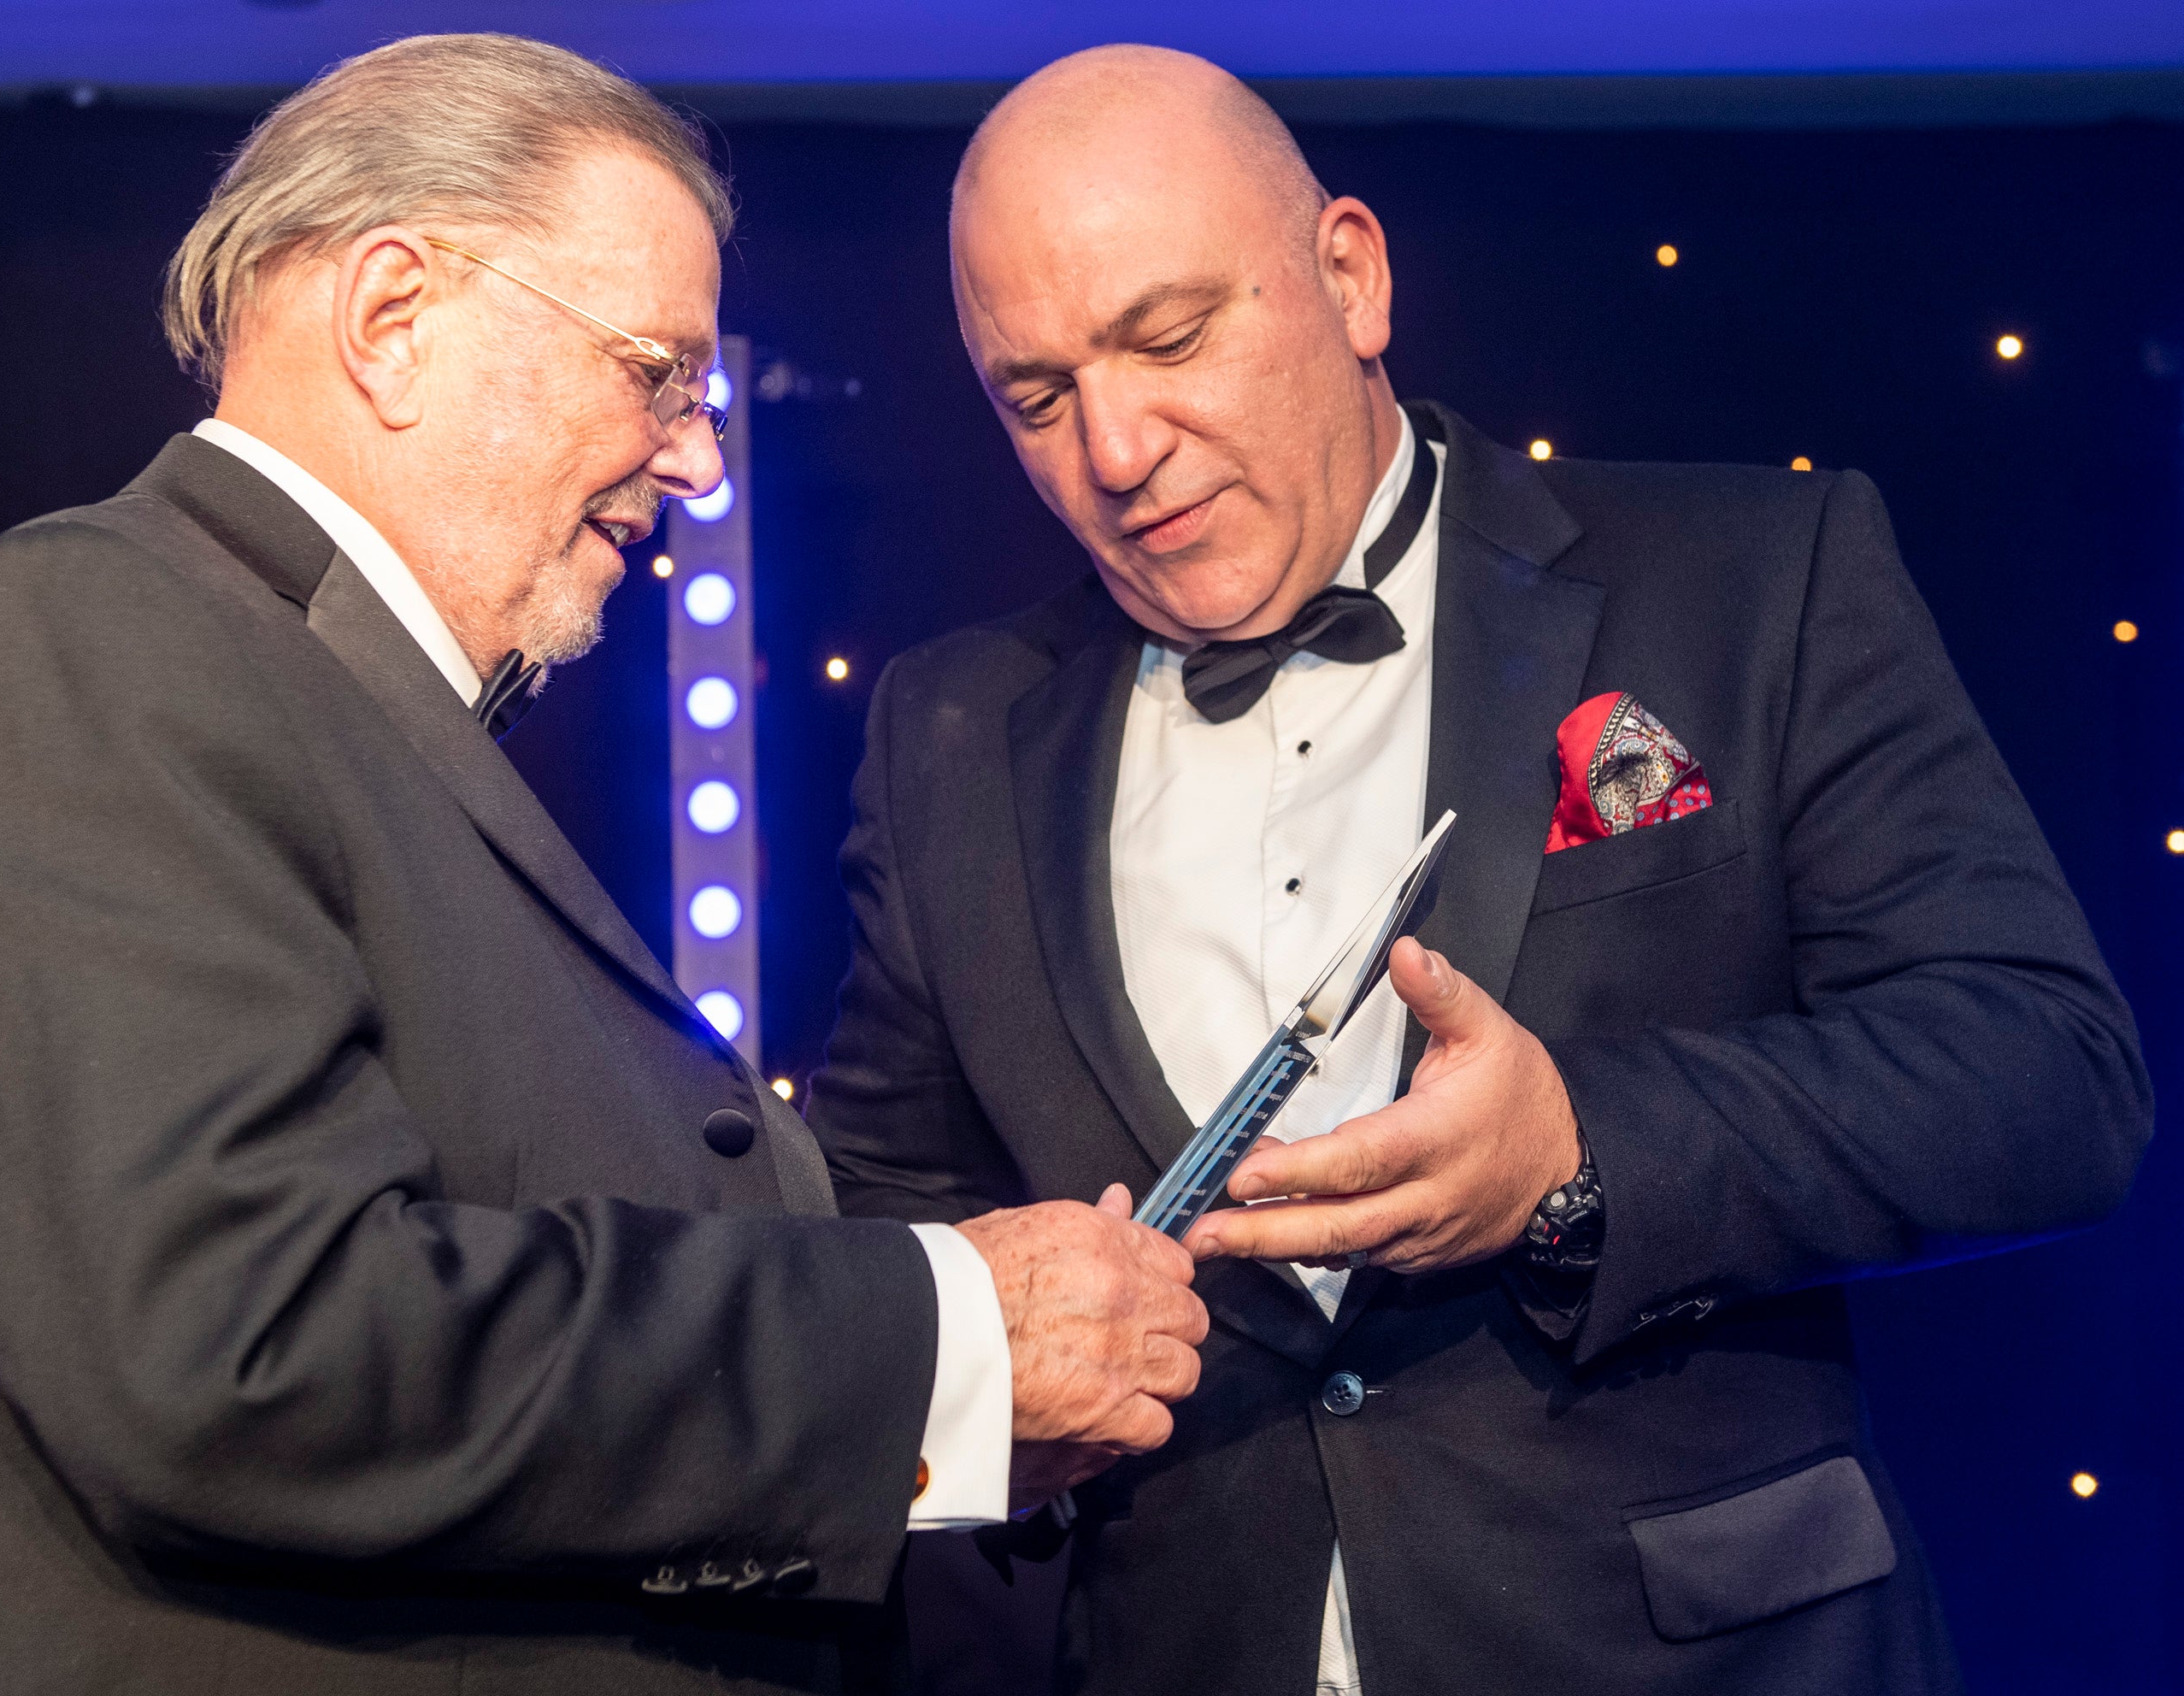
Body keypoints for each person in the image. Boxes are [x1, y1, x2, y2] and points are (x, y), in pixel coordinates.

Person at [0, 34, 1206, 1695]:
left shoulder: (316, 702)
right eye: (658, 375)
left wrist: (973, 1399)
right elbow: (255, 1349)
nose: (698, 457)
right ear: (393, 316)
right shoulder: (95, 637)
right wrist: (938, 1339)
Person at [806, 44, 2152, 1696]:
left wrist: (1576, 1153)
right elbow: (880, 1216)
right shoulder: (946, 727)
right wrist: (998, 1383)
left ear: (1351, 277)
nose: (1117, 444)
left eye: (1170, 338)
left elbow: (2046, 1075)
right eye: (1037, 397)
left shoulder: (1754, 575)